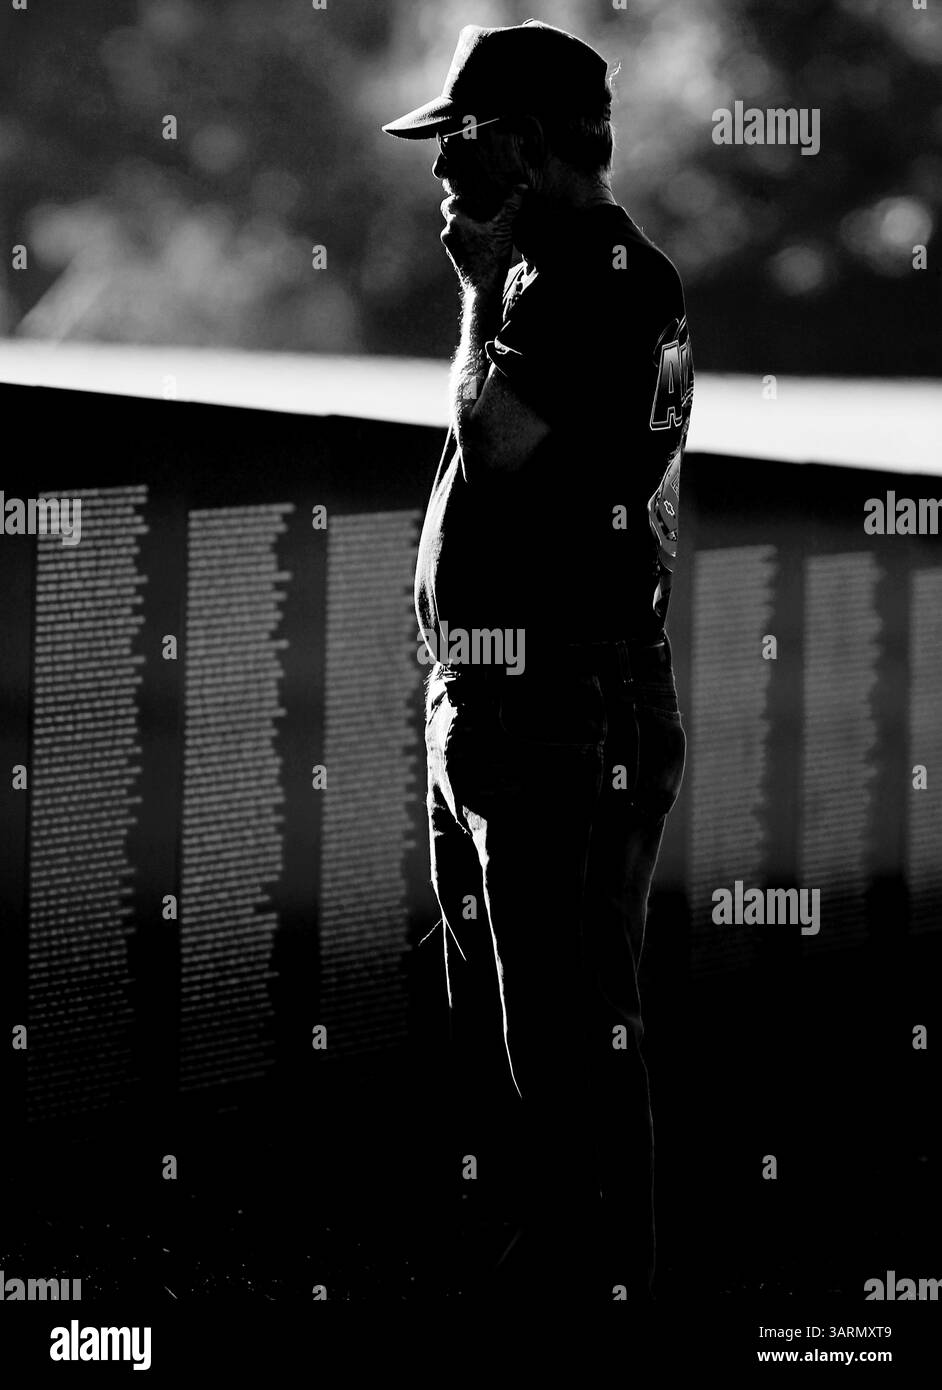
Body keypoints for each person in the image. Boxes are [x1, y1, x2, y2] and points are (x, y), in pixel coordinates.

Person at [382, 19, 693, 1300]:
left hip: (558, 707)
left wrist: (472, 291)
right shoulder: (550, 269)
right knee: (524, 1020)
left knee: (568, 1023)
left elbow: (502, 442)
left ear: (519, 139)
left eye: (459, 137)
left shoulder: (586, 276)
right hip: (517, 703)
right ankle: (553, 1256)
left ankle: (600, 1282)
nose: (440, 169)